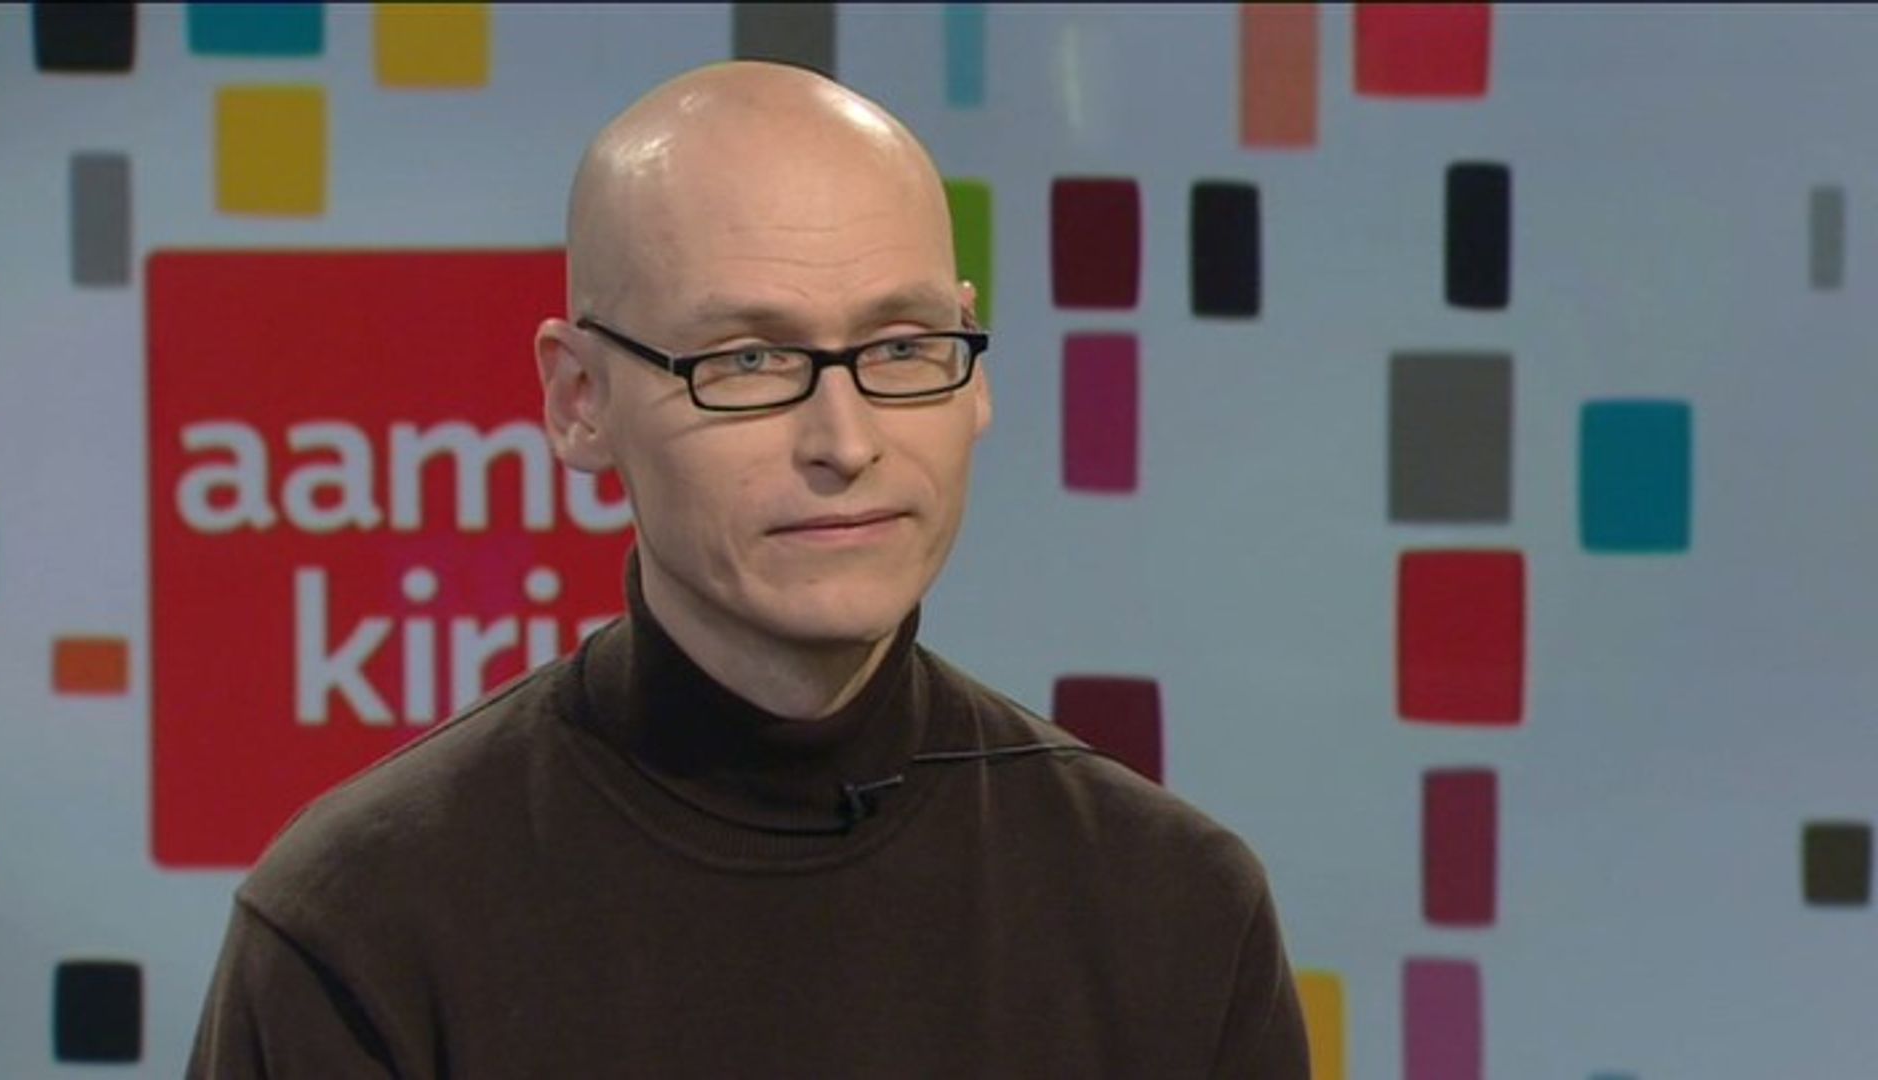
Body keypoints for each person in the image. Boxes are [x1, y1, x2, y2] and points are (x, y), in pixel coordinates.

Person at [188, 61, 1309, 1078]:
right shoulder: (364, 927)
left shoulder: (1174, 911)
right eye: (750, 358)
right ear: (580, 399)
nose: (845, 441)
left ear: (973, 372)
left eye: (901, 346)